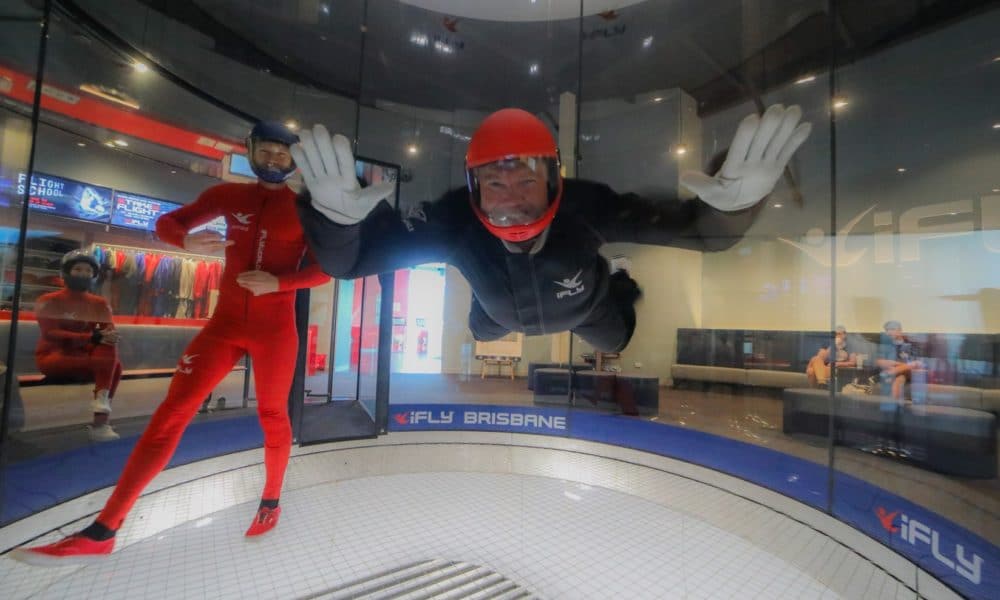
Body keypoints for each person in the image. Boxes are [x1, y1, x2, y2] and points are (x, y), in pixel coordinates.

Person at [12, 121, 338, 565]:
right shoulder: (227, 197)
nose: (275, 160)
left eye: (284, 154)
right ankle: (103, 530)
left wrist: (279, 283)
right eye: (267, 150)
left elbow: (325, 269)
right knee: (171, 414)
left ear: (294, 160)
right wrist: (185, 239)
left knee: (273, 414)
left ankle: (271, 501)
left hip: (275, 331)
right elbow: (167, 222)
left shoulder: (307, 209)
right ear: (251, 150)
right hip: (223, 327)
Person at [293, 104, 811, 352]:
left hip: (588, 306)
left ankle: (617, 284)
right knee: (482, 329)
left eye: (525, 180)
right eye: (495, 185)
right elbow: (352, 262)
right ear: (472, 189)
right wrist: (336, 218)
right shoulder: (454, 219)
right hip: (496, 309)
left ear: (555, 181)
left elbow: (699, 233)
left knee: (617, 341)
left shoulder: (586, 206)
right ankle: (487, 303)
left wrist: (735, 205)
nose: (512, 199)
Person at [34, 250, 123, 442]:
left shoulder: (99, 302)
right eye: (77, 269)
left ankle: (101, 406)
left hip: (86, 358)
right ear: (67, 272)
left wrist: (109, 335)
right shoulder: (49, 300)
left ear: (94, 275)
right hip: (54, 358)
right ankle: (101, 421)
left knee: (110, 350)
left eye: (88, 270)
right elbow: (51, 334)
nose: (83, 274)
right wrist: (92, 337)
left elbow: (108, 330)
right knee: (114, 367)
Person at [876, 320, 924, 400]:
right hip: (898, 372)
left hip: (910, 372)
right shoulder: (886, 345)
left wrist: (896, 367)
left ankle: (891, 373)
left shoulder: (911, 343)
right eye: (887, 330)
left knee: (915, 364)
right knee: (899, 379)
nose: (889, 332)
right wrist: (899, 366)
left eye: (892, 329)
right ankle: (893, 373)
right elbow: (879, 362)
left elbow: (917, 364)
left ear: (900, 330)